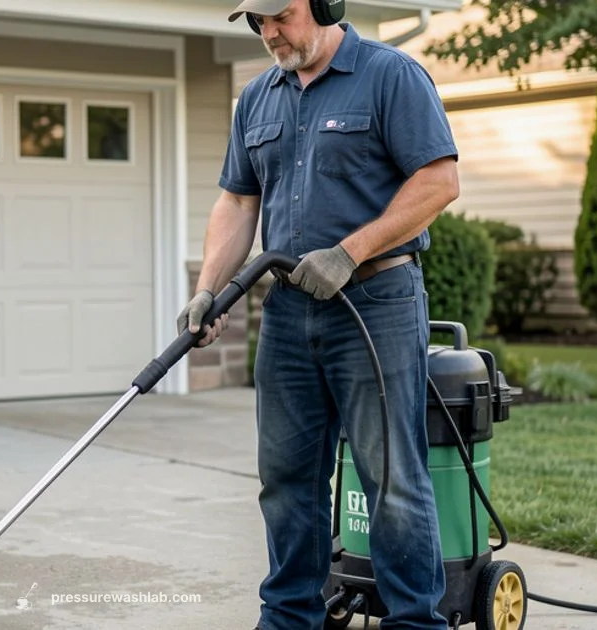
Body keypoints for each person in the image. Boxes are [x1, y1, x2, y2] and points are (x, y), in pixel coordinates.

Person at [175, 0, 461, 628]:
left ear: (325, 4)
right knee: (285, 478)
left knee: (391, 480)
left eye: (280, 16)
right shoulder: (257, 99)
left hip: (377, 304)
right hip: (287, 311)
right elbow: (238, 201)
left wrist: (350, 252)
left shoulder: (390, 76)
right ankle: (289, 617)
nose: (269, 33)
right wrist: (210, 291)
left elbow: (438, 182)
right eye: (256, 23)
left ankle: (414, 621)